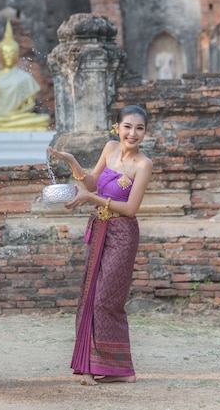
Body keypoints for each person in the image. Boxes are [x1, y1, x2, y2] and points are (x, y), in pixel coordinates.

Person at [47, 105, 153, 386]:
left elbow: (130, 208)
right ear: (116, 128)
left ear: (145, 132)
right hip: (100, 230)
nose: (132, 133)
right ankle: (103, 370)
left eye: (139, 128)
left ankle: (116, 367)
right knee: (90, 295)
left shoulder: (144, 165)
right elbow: (92, 183)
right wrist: (72, 161)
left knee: (107, 298)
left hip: (122, 233)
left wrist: (90, 199)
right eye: (127, 126)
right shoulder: (109, 149)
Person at [0, 20, 49, 131]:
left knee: (43, 119)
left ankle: (9, 121)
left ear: (17, 55)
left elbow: (30, 104)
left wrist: (13, 115)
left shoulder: (25, 77)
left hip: (18, 117)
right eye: (6, 53)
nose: (9, 57)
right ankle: (5, 122)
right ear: (0, 55)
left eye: (12, 53)